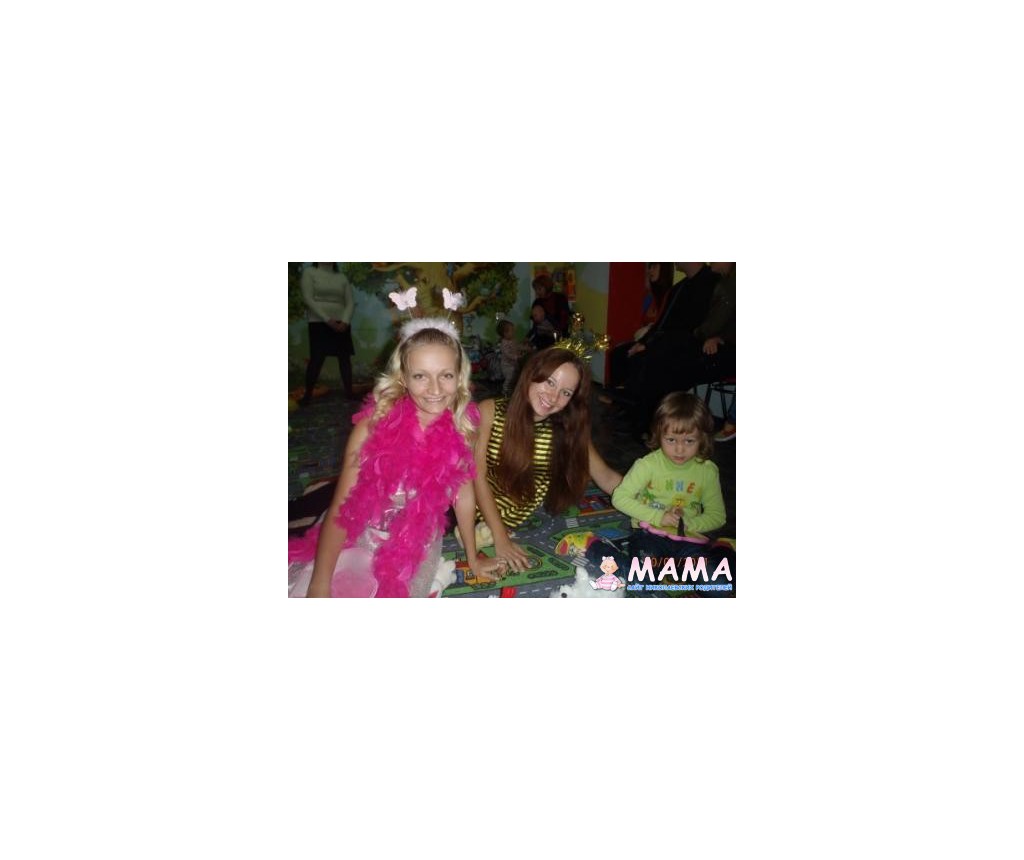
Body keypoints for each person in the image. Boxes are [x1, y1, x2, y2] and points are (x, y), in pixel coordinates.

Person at [305, 319, 495, 597]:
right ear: (403, 378)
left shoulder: (464, 427)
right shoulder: (371, 428)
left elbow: (463, 495)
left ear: (460, 376)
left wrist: (473, 556)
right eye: (420, 376)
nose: (435, 389)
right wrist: (319, 584)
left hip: (415, 543)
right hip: (362, 532)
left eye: (446, 375)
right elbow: (343, 511)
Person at [472, 347, 622, 571]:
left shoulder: (568, 427)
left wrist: (652, 501)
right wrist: (500, 536)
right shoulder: (490, 410)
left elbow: (606, 476)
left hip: (524, 516)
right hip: (473, 510)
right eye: (550, 382)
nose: (553, 397)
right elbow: (476, 476)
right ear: (531, 375)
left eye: (566, 393)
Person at [597, 392, 725, 592]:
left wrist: (688, 524)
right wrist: (658, 517)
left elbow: (718, 516)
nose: (680, 449)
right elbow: (620, 498)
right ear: (659, 434)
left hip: (688, 540)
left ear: (702, 438)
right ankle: (595, 548)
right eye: (671, 440)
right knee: (642, 583)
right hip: (649, 535)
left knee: (717, 587)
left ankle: (716, 553)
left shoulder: (707, 472)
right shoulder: (647, 465)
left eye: (689, 441)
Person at [300, 262, 356, 404]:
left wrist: (345, 321)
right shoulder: (310, 272)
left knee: (344, 358)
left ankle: (349, 393)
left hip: (341, 323)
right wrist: (327, 320)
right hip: (318, 322)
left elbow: (350, 302)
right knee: (316, 359)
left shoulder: (341, 277)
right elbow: (308, 299)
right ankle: (307, 395)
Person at [531, 273, 572, 338]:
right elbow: (535, 323)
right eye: (535, 290)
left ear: (547, 287)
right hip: (542, 336)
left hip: (560, 335)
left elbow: (565, 318)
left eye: (539, 289)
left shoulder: (560, 298)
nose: (537, 292)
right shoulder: (537, 302)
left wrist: (558, 331)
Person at [497, 319, 528, 395]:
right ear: (505, 333)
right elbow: (507, 354)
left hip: (514, 364)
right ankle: (505, 389)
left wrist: (525, 348)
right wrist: (516, 357)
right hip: (507, 365)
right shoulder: (504, 343)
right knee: (510, 377)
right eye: (512, 331)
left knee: (515, 377)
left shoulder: (513, 340)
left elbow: (517, 346)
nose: (514, 332)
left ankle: (511, 389)